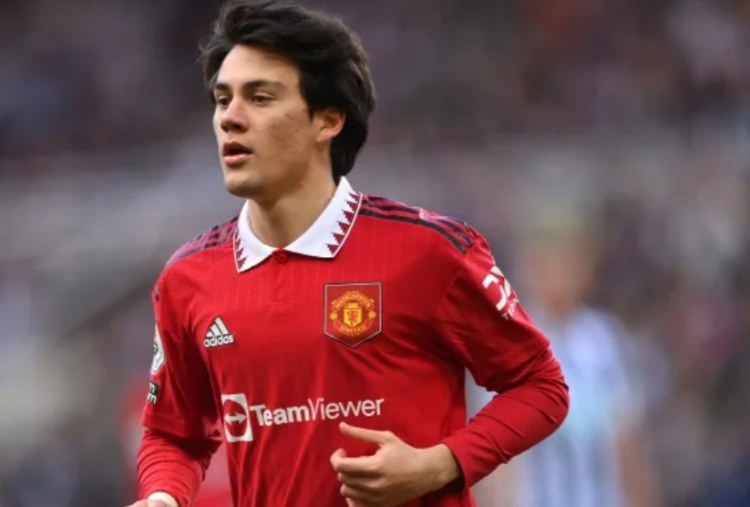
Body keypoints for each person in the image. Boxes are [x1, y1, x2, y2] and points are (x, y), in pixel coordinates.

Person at [126, 1, 569, 506]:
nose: (230, 118)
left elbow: (541, 385)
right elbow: (174, 433)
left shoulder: (428, 252)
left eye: (260, 97)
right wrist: (163, 496)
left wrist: (440, 464)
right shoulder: (189, 278)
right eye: (222, 99)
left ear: (328, 120)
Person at [468, 212, 660, 507]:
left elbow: (626, 440)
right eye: (547, 264)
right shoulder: (508, 343)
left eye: (568, 264)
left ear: (587, 270)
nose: (558, 277)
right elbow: (496, 455)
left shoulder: (605, 341)